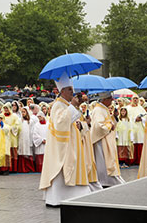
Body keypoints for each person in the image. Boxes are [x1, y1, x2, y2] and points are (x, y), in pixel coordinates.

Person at [40, 73, 90, 207]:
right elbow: (60, 124)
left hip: (72, 142)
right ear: (62, 91)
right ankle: (57, 197)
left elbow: (72, 122)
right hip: (61, 146)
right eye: (69, 90)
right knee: (62, 169)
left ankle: (77, 194)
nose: (72, 93)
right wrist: (73, 107)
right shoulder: (57, 105)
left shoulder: (66, 104)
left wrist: (80, 123)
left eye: (72, 90)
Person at [90, 92, 125, 187]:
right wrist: (110, 125)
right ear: (104, 99)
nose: (112, 100)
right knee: (104, 161)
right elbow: (99, 126)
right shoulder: (98, 109)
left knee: (107, 160)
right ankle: (106, 180)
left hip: (107, 140)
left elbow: (109, 124)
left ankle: (108, 179)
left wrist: (114, 117)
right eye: (110, 98)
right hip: (101, 141)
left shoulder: (103, 109)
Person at [127, 95, 146, 165]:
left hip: (140, 128)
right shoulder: (128, 108)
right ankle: (132, 159)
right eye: (134, 98)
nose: (135, 100)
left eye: (137, 98)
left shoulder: (141, 108)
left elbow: (146, 116)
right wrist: (134, 119)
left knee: (139, 141)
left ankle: (139, 159)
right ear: (131, 99)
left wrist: (142, 119)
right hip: (131, 127)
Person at [2, 103, 20, 173]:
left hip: (12, 136)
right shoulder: (2, 116)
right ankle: (7, 168)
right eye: (5, 108)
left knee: (13, 151)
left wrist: (10, 128)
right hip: (5, 136)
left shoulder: (14, 116)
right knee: (7, 152)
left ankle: (14, 168)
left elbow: (17, 125)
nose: (6, 110)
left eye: (7, 108)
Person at [18, 107, 35, 173]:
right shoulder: (19, 120)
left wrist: (31, 141)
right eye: (22, 112)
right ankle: (22, 168)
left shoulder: (31, 121)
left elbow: (32, 131)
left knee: (28, 153)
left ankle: (28, 168)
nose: (23, 113)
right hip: (21, 139)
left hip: (28, 139)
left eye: (24, 112)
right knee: (22, 152)